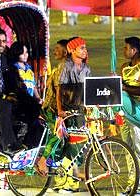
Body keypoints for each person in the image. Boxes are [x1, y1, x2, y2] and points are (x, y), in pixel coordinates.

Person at [37, 37, 91, 185]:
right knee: (59, 135)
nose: (85, 51)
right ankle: (42, 161)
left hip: (73, 107)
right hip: (54, 107)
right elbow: (58, 89)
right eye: (81, 48)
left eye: (85, 48)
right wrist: (59, 110)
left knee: (77, 138)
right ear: (72, 50)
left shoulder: (86, 69)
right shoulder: (65, 66)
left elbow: (86, 90)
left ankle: (68, 175)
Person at [119, 37, 140, 195]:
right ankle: (133, 183)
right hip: (124, 111)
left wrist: (123, 87)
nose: (124, 51)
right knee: (127, 148)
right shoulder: (124, 67)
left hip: (138, 111)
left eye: (126, 48)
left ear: (134, 50)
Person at [8, 41, 42, 147]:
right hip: (22, 102)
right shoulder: (14, 68)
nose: (25, 55)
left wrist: (39, 98)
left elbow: (34, 85)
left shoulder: (29, 68)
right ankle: (28, 143)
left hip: (31, 101)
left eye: (26, 52)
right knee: (35, 121)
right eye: (22, 53)